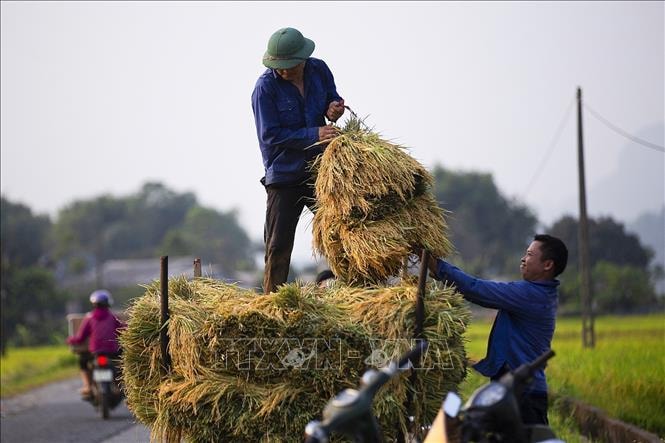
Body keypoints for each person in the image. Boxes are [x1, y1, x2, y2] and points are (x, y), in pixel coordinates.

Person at [426, 234, 568, 425]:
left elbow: (476, 289)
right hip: (512, 389)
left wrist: (439, 267)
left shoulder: (531, 295)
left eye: (529, 254)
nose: (523, 259)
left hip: (523, 394)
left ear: (547, 265)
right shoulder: (540, 294)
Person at [252, 27, 345, 294]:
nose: (282, 71)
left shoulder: (319, 70)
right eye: (277, 67)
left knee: (340, 232)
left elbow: (332, 99)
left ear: (302, 59)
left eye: (288, 66)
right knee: (278, 245)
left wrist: (334, 108)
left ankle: (350, 291)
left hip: (319, 170)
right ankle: (271, 302)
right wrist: (314, 133)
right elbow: (271, 136)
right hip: (284, 175)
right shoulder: (264, 89)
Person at [67, 289, 125, 398]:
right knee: (122, 362)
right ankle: (119, 386)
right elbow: (122, 330)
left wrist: (70, 340)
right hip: (112, 351)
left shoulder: (89, 317)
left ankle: (88, 386)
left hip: (96, 352)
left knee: (82, 362)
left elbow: (80, 338)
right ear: (108, 303)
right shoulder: (112, 317)